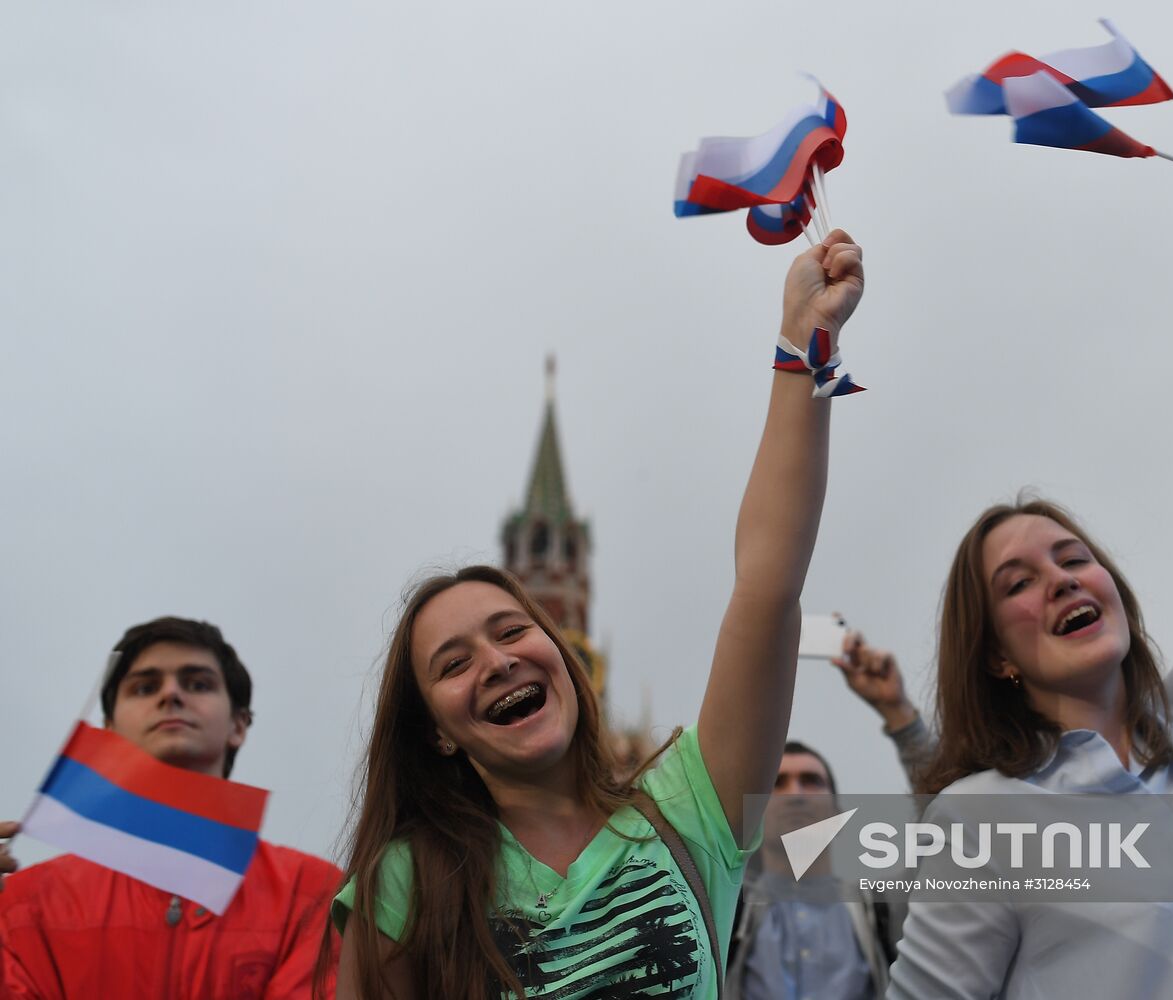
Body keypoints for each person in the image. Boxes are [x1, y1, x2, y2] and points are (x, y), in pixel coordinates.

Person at [330, 230, 867, 999]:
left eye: (514, 629)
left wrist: (803, 339)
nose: (497, 660)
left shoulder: (688, 808)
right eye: (453, 663)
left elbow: (767, 583)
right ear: (435, 731)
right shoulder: (407, 883)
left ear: (565, 654)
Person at [886, 170, 1173, 998]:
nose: (1061, 581)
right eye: (1017, 583)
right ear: (994, 654)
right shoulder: (985, 820)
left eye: (1073, 558)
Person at [0, 616, 343, 998]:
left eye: (198, 683)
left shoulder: (314, 892)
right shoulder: (22, 906)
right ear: (109, 728)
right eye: (145, 687)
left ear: (238, 725)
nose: (171, 695)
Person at [727, 633, 934, 1000]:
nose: (796, 795)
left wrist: (898, 711)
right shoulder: (726, 913)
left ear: (838, 811)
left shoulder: (881, 911)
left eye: (812, 781)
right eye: (778, 783)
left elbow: (952, 823)